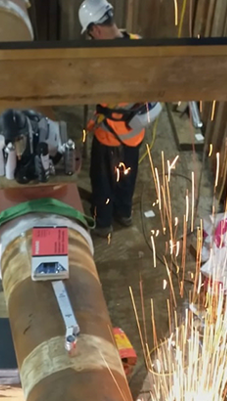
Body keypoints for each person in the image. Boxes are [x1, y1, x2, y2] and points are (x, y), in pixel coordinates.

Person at [79, 0, 161, 237]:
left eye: (90, 35)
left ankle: (103, 222)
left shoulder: (104, 59)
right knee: (127, 174)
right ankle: (123, 213)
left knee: (102, 179)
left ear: (95, 29)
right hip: (135, 131)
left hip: (109, 134)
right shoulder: (138, 43)